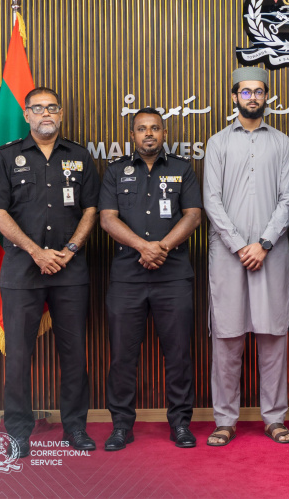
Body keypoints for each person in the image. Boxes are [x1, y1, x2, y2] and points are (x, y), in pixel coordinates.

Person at [0, 87, 100, 457]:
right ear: (27, 115)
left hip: (70, 270)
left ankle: (75, 429)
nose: (45, 113)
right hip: (22, 271)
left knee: (74, 354)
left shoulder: (79, 156)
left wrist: (70, 249)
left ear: (60, 113)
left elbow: (91, 209)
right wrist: (36, 252)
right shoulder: (7, 156)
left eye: (52, 107)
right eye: (38, 108)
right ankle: (18, 432)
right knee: (18, 357)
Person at [99, 107, 203, 450]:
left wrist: (162, 248)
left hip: (173, 277)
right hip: (127, 277)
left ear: (163, 133)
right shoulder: (116, 171)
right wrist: (143, 247)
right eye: (142, 128)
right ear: (133, 135)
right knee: (122, 356)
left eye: (155, 128)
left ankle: (181, 424)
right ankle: (121, 426)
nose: (149, 134)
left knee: (178, 354)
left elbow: (193, 216)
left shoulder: (182, 169)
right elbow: (107, 219)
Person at [203, 67, 289, 445]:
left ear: (266, 97)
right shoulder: (218, 143)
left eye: (259, 91)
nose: (252, 97)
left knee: (273, 336)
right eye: (246, 92)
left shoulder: (281, 142)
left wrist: (264, 243)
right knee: (227, 337)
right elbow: (211, 200)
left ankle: (274, 419)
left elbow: (288, 199)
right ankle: (225, 420)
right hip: (229, 255)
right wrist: (240, 245)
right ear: (234, 97)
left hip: (270, 253)